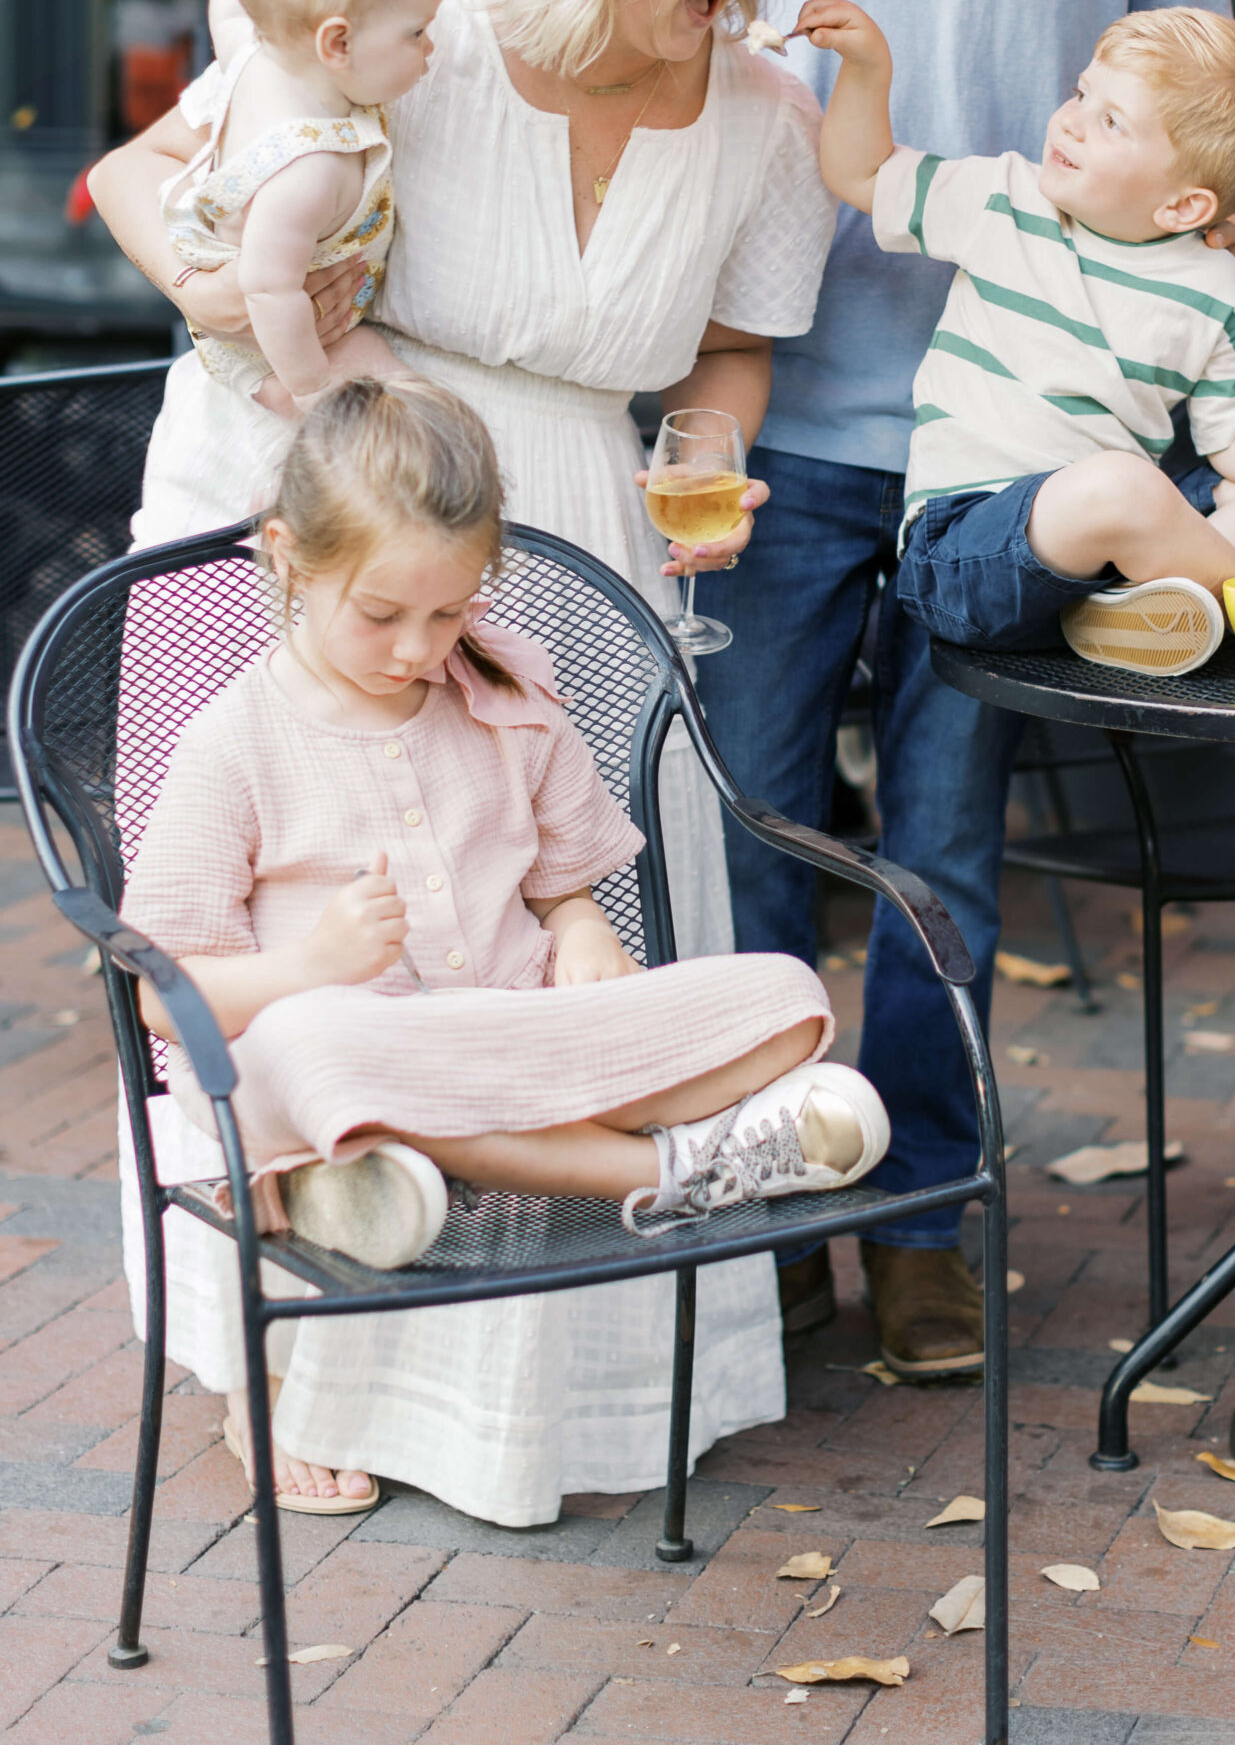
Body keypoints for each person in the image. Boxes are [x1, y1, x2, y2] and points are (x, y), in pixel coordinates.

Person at [90, 0, 838, 1521]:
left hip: (586, 538)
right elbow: (141, 181)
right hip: (353, 524)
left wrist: (710, 446)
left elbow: (735, 344)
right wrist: (228, 287)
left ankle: (546, 1378)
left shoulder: (764, 112)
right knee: (328, 952)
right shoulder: (406, 22)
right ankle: (277, 1359)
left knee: (548, 937)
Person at [697, 0, 1235, 1375]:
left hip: (1017, 455)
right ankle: (768, 1203)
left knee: (944, 856)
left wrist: (1231, 254)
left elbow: (1203, 120)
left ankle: (916, 1224)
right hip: (776, 417)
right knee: (758, 833)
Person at [124, 380, 887, 1506]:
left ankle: (398, 1166)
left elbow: (564, 878)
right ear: (286, 555)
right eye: (381, 614)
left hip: (514, 1036)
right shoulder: (235, 741)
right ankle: (677, 1168)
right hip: (343, 1048)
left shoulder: (507, 686)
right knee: (321, 1042)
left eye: (449, 613)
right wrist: (306, 968)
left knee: (786, 995)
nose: (419, 649)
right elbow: (159, 990)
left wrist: (579, 927)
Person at [810, 0, 1235, 671]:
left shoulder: (1212, 287)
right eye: (1081, 93)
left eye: (1109, 121)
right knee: (1122, 484)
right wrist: (866, 69)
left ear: (1182, 206)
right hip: (968, 553)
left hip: (1116, 574)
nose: (1070, 122)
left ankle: (1172, 608)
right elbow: (862, 174)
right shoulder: (1002, 200)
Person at [163, 0, 443, 422]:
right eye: (416, 33)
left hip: (282, 322)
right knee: (405, 395)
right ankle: (287, 480)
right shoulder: (309, 170)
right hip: (269, 349)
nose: (430, 46)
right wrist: (312, 389)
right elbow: (267, 290)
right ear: (337, 43)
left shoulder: (249, 50)